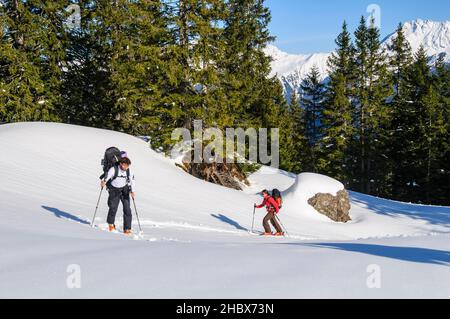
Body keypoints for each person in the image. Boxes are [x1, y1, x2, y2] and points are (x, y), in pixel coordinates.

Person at [101, 157, 136, 234]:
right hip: (114, 189)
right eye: (124, 165)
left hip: (125, 189)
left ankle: (127, 229)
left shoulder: (129, 170)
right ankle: (111, 224)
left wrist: (133, 191)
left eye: (127, 166)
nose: (126, 167)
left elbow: (132, 181)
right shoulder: (114, 169)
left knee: (127, 209)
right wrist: (104, 182)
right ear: (120, 164)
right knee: (113, 207)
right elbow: (107, 177)